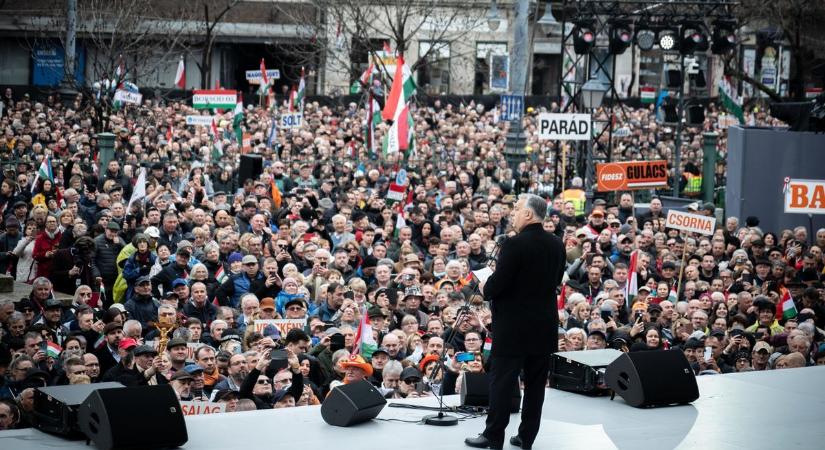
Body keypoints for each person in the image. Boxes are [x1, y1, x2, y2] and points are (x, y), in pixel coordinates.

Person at [465, 194, 565, 450]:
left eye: (518, 209)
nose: (513, 213)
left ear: (529, 214)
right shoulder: (557, 244)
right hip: (543, 326)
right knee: (535, 385)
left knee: (502, 381)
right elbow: (554, 281)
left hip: (513, 327)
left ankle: (493, 436)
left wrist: (486, 283)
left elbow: (495, 287)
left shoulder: (515, 244)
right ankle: (526, 437)